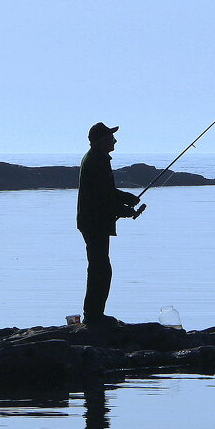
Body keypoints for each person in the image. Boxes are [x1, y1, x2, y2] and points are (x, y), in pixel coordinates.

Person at [77, 122, 140, 325]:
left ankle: (94, 314)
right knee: (100, 268)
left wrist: (127, 198)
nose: (115, 141)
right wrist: (124, 210)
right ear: (101, 141)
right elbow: (101, 198)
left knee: (99, 266)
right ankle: (94, 315)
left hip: (93, 221)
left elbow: (106, 192)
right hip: (94, 222)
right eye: (111, 138)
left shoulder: (98, 159)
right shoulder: (97, 161)